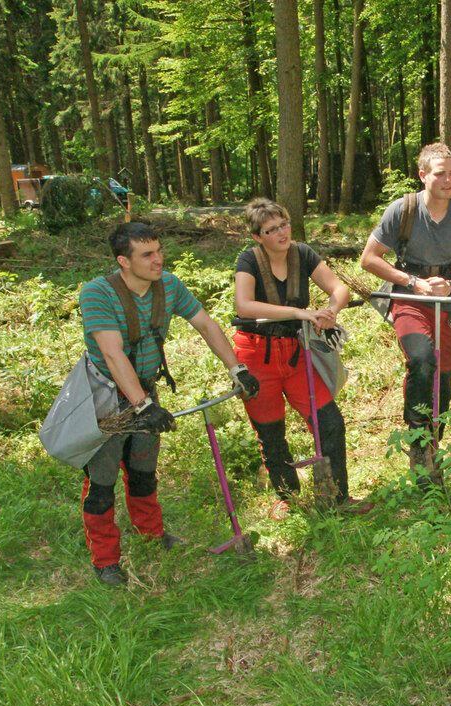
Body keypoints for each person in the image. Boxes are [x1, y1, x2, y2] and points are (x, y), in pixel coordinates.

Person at [80, 222, 260, 587]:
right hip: (105, 398)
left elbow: (206, 324)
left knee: (143, 471)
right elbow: (113, 355)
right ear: (123, 261)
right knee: (101, 483)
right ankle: (106, 560)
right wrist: (142, 406)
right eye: (147, 255)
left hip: (145, 389)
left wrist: (237, 368)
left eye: (159, 251)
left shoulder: (169, 286)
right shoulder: (97, 294)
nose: (158, 259)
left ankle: (150, 533)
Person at [233, 198, 372, 517]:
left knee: (330, 423)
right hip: (256, 353)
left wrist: (331, 311)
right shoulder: (249, 260)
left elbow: (339, 289)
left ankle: (337, 497)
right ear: (257, 236)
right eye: (271, 230)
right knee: (270, 431)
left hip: (295, 354)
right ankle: (287, 496)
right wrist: (299, 311)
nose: (282, 233)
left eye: (284, 224)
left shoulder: (302, 253)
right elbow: (244, 305)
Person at [359, 143, 451, 484]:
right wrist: (411, 282)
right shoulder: (403, 210)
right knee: (422, 360)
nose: (448, 180)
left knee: (443, 377)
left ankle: (434, 444)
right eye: (440, 173)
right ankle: (417, 442)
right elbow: (369, 259)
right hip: (409, 299)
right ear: (423, 175)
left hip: (448, 304)